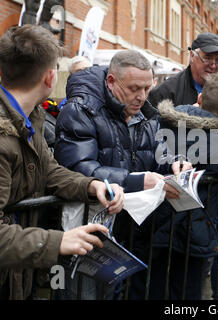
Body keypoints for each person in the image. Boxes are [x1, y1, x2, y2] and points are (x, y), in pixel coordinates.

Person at [0, 24, 124, 300]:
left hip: (11, 274)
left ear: (2, 71)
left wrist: (91, 185)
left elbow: (48, 170)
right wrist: (59, 241)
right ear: (50, 78)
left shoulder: (27, 115)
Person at [54, 49, 187, 299]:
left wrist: (175, 163)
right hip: (87, 230)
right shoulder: (81, 110)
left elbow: (159, 152)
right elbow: (77, 168)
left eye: (147, 88)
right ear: (111, 81)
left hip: (129, 233)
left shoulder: (146, 114)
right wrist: (136, 180)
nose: (142, 96)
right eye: (134, 88)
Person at [143, 73, 218, 300]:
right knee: (189, 288)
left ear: (200, 98)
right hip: (197, 223)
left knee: (153, 283)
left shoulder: (166, 119)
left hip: (156, 218)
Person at [145, 33, 218, 134]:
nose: (213, 65)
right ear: (192, 56)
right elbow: (151, 132)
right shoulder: (166, 90)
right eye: (207, 58)